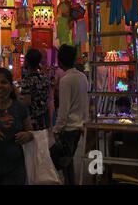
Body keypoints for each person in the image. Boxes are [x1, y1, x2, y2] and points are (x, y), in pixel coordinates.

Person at [53, 44, 89, 185]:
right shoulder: (82, 77)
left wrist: (57, 129)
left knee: (65, 163)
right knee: (68, 162)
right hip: (79, 126)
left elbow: (64, 109)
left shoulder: (66, 80)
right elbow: (85, 102)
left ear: (60, 61)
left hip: (69, 128)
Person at [20, 49, 51, 130]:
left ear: (26, 61)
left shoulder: (26, 81)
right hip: (44, 118)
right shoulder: (45, 79)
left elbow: (27, 101)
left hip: (32, 120)